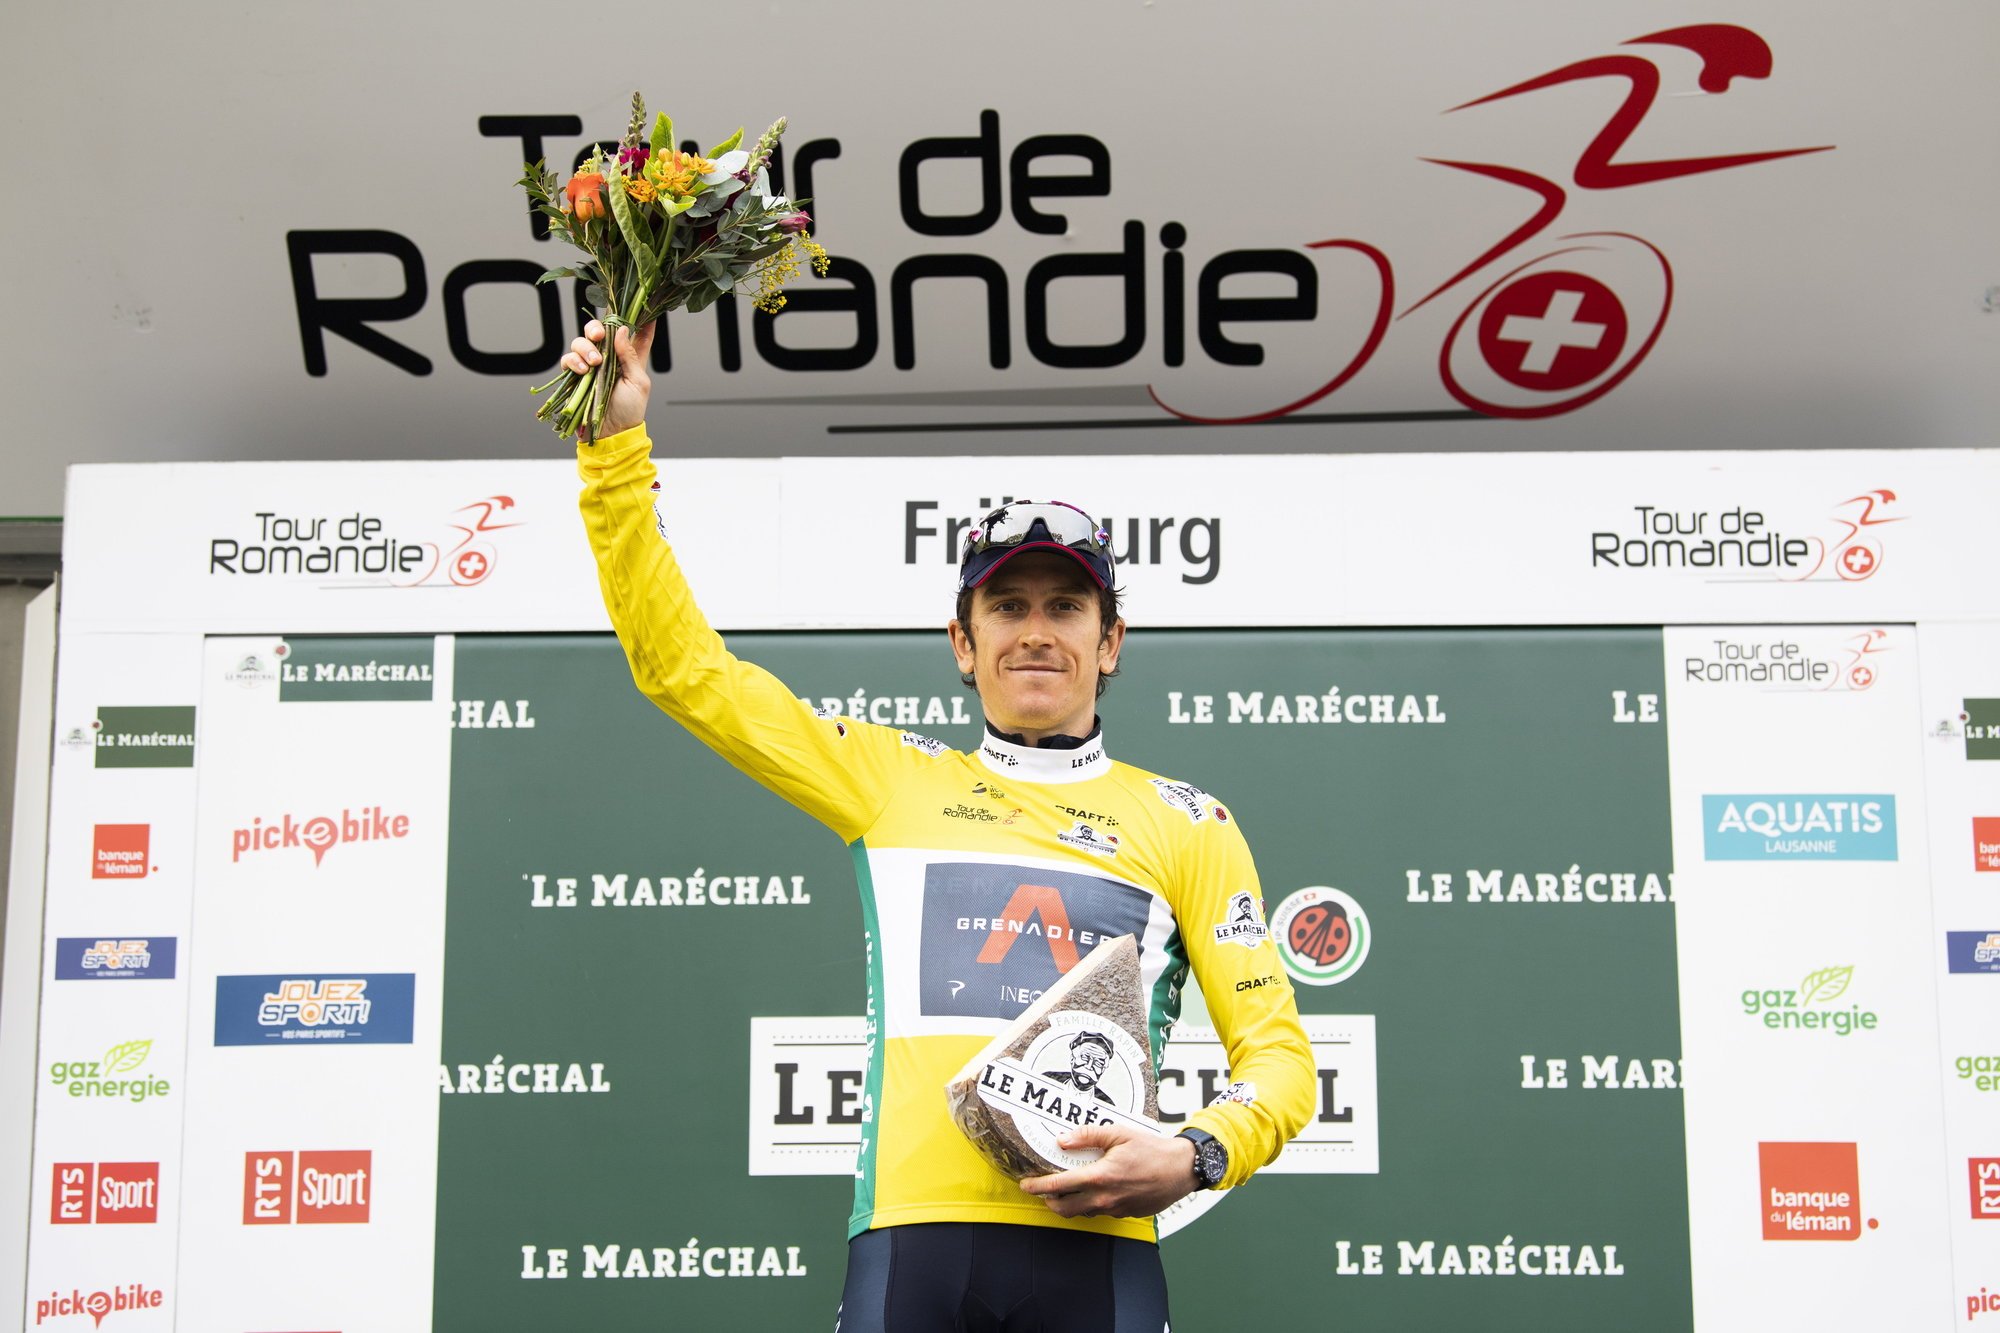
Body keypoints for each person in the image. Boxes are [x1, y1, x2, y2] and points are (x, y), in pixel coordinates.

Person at [566, 320, 1316, 1332]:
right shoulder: (887, 778)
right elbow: (681, 672)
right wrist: (614, 454)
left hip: (1100, 1253)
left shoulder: (1186, 820)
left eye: (1066, 606)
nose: (1037, 632)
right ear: (962, 644)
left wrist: (1195, 1152)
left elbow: (1278, 1057)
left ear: (1111, 642)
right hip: (910, 1244)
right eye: (1006, 607)